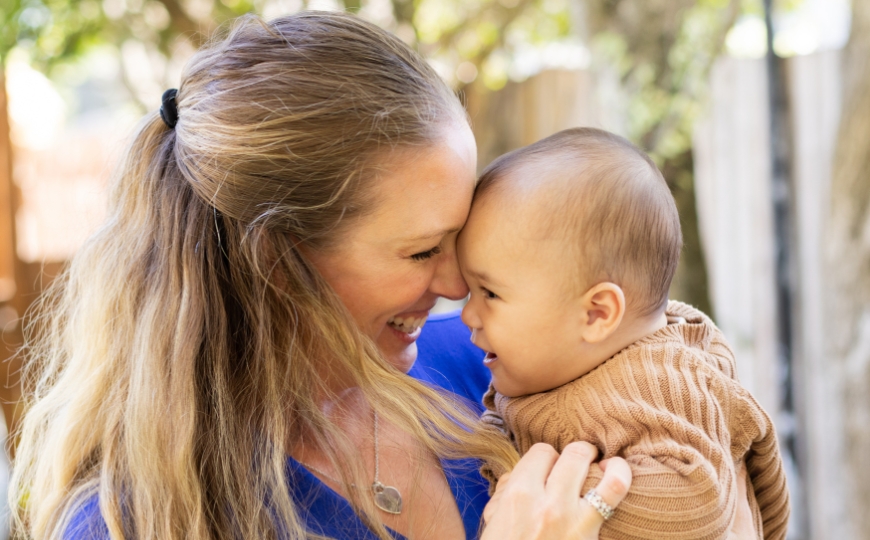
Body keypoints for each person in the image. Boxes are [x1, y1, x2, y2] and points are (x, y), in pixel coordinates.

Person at [8, 12, 632, 540]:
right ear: (278, 261)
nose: (458, 286)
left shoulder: (492, 371)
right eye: (421, 253)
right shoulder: (137, 517)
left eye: (459, 241)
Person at [458, 128, 791, 539]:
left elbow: (696, 496)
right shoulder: (551, 367)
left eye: (489, 293)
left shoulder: (659, 382)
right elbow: (509, 424)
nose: (466, 313)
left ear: (597, 313)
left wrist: (558, 493)